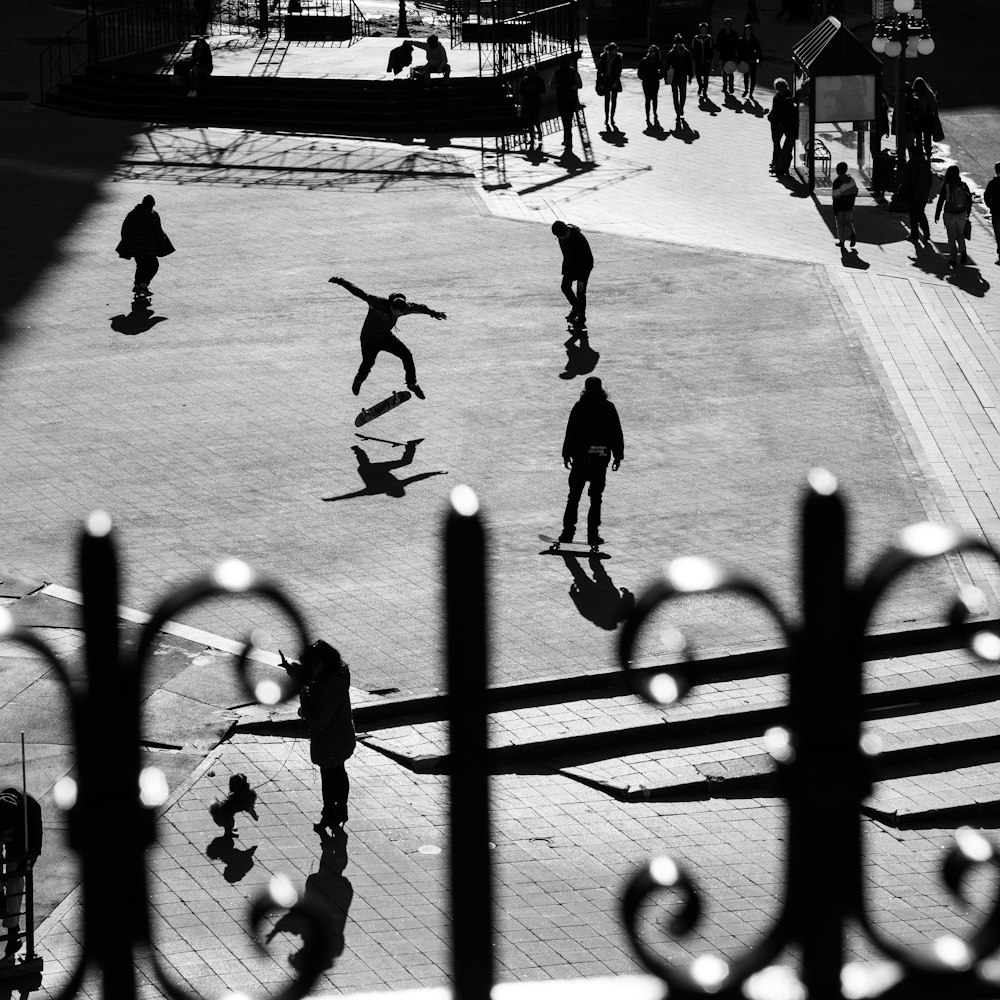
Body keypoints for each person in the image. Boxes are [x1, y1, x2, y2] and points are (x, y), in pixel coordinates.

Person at [328, 275, 446, 399]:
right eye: (394, 313)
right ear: (390, 305)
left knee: (406, 355)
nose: (395, 315)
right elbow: (358, 292)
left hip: (385, 337)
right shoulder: (377, 302)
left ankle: (411, 383)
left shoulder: (406, 308)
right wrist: (340, 281)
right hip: (369, 340)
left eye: (398, 315)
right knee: (368, 362)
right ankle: (358, 380)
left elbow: (421, 308)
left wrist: (433, 313)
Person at [294, 641, 356, 833]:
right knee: (338, 772)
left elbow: (320, 719)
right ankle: (340, 810)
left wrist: (304, 701)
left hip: (330, 740)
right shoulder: (335, 678)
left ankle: (329, 813)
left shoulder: (329, 687)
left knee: (329, 777)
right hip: (341, 736)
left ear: (320, 665)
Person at [559, 377, 624, 546]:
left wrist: (566, 454)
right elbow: (616, 433)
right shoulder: (608, 408)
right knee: (596, 498)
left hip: (580, 459)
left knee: (573, 497)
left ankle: (567, 533)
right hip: (599, 460)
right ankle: (593, 535)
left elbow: (570, 431)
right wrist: (618, 456)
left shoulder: (580, 407)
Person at [0, 787, 42, 963]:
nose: (6, 838)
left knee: (14, 879)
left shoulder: (30, 811)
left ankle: (13, 933)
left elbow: (35, 845)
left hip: (21, 845)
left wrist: (25, 866)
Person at [116, 194, 173, 299]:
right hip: (147, 246)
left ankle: (137, 284)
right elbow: (158, 232)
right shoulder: (152, 215)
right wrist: (164, 244)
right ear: (152, 205)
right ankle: (143, 285)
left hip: (134, 246)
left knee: (141, 265)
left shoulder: (132, 214)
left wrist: (126, 242)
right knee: (153, 265)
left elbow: (124, 229)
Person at [551, 221, 593, 327]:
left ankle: (581, 315)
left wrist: (581, 278)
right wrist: (565, 269)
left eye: (561, 236)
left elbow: (586, 260)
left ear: (566, 232)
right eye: (558, 236)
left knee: (580, 290)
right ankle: (576, 307)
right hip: (571, 265)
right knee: (565, 286)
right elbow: (566, 255)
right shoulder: (561, 237)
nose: (560, 238)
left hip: (584, 266)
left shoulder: (578, 239)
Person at [934, 164, 973, 267]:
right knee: (960, 235)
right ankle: (963, 252)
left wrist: (937, 214)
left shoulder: (946, 185)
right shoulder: (963, 185)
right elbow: (969, 199)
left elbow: (940, 201)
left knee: (951, 237)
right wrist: (967, 213)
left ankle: (953, 259)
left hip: (949, 214)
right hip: (961, 214)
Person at [896, 146, 932, 244]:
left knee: (913, 215)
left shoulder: (911, 164)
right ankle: (926, 232)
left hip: (913, 192)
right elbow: (929, 180)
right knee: (921, 212)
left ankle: (914, 235)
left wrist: (901, 190)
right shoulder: (926, 164)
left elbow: (906, 179)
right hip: (924, 193)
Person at [553, 54, 582, 150]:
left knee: (567, 119)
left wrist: (568, 87)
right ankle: (567, 139)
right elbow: (551, 85)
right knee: (566, 119)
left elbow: (579, 84)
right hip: (566, 98)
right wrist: (562, 87)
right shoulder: (562, 72)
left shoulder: (569, 72)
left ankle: (567, 139)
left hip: (567, 98)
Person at [662, 34, 692, 122]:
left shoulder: (686, 53)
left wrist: (690, 76)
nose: (678, 45)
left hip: (683, 75)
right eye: (677, 43)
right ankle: (677, 111)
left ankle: (681, 107)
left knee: (683, 94)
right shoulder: (671, 53)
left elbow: (689, 65)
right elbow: (667, 66)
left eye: (679, 43)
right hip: (674, 76)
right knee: (675, 95)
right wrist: (666, 76)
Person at [831, 161, 859, 248]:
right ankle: (852, 234)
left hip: (840, 207)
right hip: (849, 206)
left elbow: (836, 197)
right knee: (847, 221)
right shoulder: (852, 180)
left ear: (838, 171)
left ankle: (842, 241)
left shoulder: (837, 182)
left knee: (840, 224)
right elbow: (856, 191)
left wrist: (835, 209)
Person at [596, 42, 623, 129]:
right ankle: (606, 117)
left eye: (616, 50)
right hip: (606, 80)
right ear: (610, 50)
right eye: (614, 50)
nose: (616, 51)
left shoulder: (618, 58)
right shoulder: (604, 57)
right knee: (607, 100)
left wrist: (615, 81)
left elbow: (619, 70)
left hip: (614, 80)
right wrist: (599, 82)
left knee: (614, 100)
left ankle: (612, 118)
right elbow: (599, 70)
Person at [911, 76, 939, 159]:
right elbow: (934, 108)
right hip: (928, 120)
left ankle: (920, 156)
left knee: (919, 140)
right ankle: (928, 156)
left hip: (919, 120)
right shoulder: (929, 94)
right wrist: (936, 119)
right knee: (927, 140)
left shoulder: (915, 96)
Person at [518, 64, 546, 146]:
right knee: (530, 120)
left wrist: (535, 89)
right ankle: (532, 137)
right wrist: (527, 90)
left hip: (535, 102)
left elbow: (543, 90)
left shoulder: (539, 80)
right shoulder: (525, 81)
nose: (531, 73)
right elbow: (521, 91)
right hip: (527, 102)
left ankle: (539, 133)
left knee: (535, 119)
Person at [636, 45, 663, 128]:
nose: (651, 53)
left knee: (654, 98)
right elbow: (639, 72)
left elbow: (662, 71)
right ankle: (647, 115)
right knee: (647, 99)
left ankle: (655, 112)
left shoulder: (658, 61)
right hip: (646, 82)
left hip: (655, 82)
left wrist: (658, 76)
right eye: (650, 51)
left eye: (652, 51)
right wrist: (643, 77)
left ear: (655, 53)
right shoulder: (644, 61)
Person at [714, 17, 740, 97]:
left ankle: (731, 87)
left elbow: (737, 45)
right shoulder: (721, 33)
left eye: (729, 25)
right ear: (724, 25)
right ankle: (725, 85)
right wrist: (719, 49)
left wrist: (736, 52)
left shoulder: (734, 34)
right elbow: (717, 44)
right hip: (723, 55)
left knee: (731, 72)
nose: (728, 26)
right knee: (724, 72)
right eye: (726, 25)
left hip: (731, 55)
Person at [737, 25, 762, 100]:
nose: (747, 32)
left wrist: (759, 59)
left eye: (749, 30)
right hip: (745, 61)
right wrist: (739, 60)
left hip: (753, 61)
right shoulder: (741, 40)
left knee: (753, 77)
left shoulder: (755, 40)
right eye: (746, 30)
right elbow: (739, 51)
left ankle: (751, 92)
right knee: (745, 77)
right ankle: (746, 90)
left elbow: (758, 50)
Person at [690, 22, 713, 99]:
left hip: (706, 61)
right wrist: (695, 58)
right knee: (698, 75)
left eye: (705, 29)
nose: (704, 31)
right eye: (702, 29)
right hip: (698, 60)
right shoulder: (696, 39)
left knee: (706, 76)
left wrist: (709, 58)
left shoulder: (709, 39)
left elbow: (711, 50)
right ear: (700, 30)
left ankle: (705, 90)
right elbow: (693, 49)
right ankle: (700, 86)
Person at [983, 161, 1000, 264]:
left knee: (998, 234)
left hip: (996, 212)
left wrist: (991, 206)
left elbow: (986, 196)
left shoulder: (992, 183)